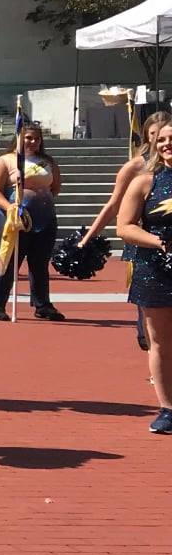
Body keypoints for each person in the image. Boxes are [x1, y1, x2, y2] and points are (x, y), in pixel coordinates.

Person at [85, 111, 168, 353]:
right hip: (145, 245)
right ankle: (154, 355)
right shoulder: (135, 167)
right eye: (154, 134)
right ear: (146, 136)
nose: (159, 140)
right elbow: (113, 205)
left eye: (164, 133)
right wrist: (88, 237)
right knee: (150, 311)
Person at [114, 118, 172, 433]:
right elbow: (125, 226)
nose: (166, 144)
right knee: (161, 342)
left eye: (171, 138)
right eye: (161, 139)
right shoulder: (145, 181)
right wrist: (158, 241)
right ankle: (168, 408)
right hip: (156, 270)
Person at [0, 121, 64, 322]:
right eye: (28, 138)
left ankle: (42, 304)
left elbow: (55, 186)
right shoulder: (6, 160)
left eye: (37, 139)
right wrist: (9, 206)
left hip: (44, 217)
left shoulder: (47, 161)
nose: (33, 142)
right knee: (10, 260)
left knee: (40, 263)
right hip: (15, 218)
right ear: (19, 138)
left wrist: (40, 199)